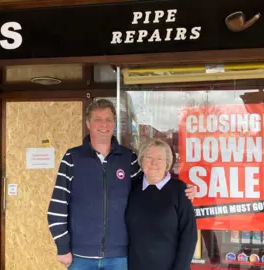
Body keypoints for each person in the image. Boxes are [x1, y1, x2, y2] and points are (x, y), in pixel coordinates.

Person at [47, 99, 196, 269]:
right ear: (88, 123)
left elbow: (153, 177)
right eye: (98, 119)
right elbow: (57, 206)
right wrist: (62, 247)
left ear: (114, 124)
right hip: (81, 256)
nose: (104, 124)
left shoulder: (128, 159)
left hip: (118, 258)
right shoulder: (72, 158)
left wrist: (184, 188)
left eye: (109, 119)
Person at [126, 138, 197, 270]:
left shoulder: (180, 190)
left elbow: (189, 235)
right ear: (141, 160)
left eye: (160, 159)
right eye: (149, 157)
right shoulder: (132, 188)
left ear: (167, 163)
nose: (154, 163)